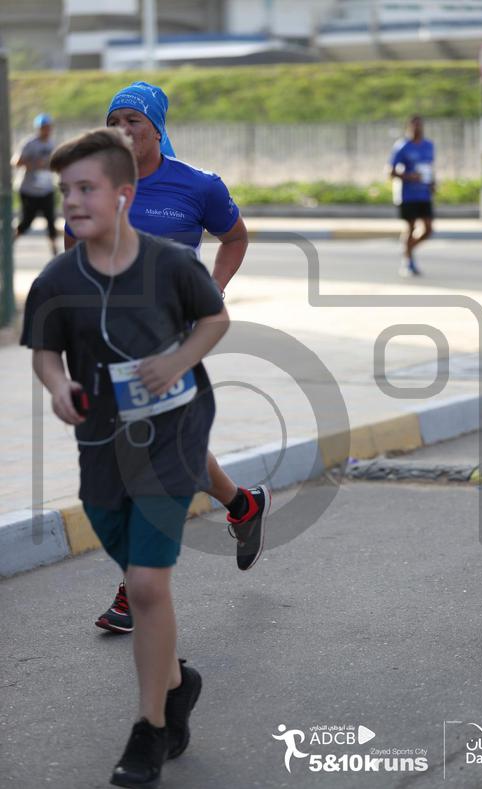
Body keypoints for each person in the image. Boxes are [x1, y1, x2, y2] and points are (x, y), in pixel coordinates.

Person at [22, 127, 229, 787]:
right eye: (66, 190)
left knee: (145, 586)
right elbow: (45, 352)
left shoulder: (171, 265)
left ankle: (149, 728)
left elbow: (215, 319)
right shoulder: (58, 278)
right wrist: (59, 388)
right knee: (136, 574)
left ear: (123, 195)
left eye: (86, 188)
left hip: (174, 436)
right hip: (102, 445)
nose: (71, 201)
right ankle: (177, 683)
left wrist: (178, 360)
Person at [64, 82, 271, 634]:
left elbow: (234, 238)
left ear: (156, 128)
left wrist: (212, 289)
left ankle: (134, 591)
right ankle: (243, 505)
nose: (123, 130)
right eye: (114, 121)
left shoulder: (197, 185)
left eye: (133, 120)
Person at [390, 115, 435, 277]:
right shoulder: (402, 146)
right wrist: (410, 176)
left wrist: (432, 183)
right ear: (409, 127)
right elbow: (391, 171)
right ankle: (408, 260)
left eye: (419, 125)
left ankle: (407, 250)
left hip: (424, 194)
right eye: (414, 126)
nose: (417, 129)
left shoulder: (429, 146)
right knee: (411, 227)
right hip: (408, 194)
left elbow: (429, 167)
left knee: (428, 229)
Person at [13, 113, 58, 256]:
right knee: (27, 221)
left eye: (48, 127)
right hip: (29, 189)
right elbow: (16, 162)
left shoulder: (53, 144)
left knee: (51, 221)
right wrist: (33, 164)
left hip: (46, 188)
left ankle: (55, 253)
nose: (46, 130)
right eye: (43, 128)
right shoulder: (30, 143)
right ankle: (9, 244)